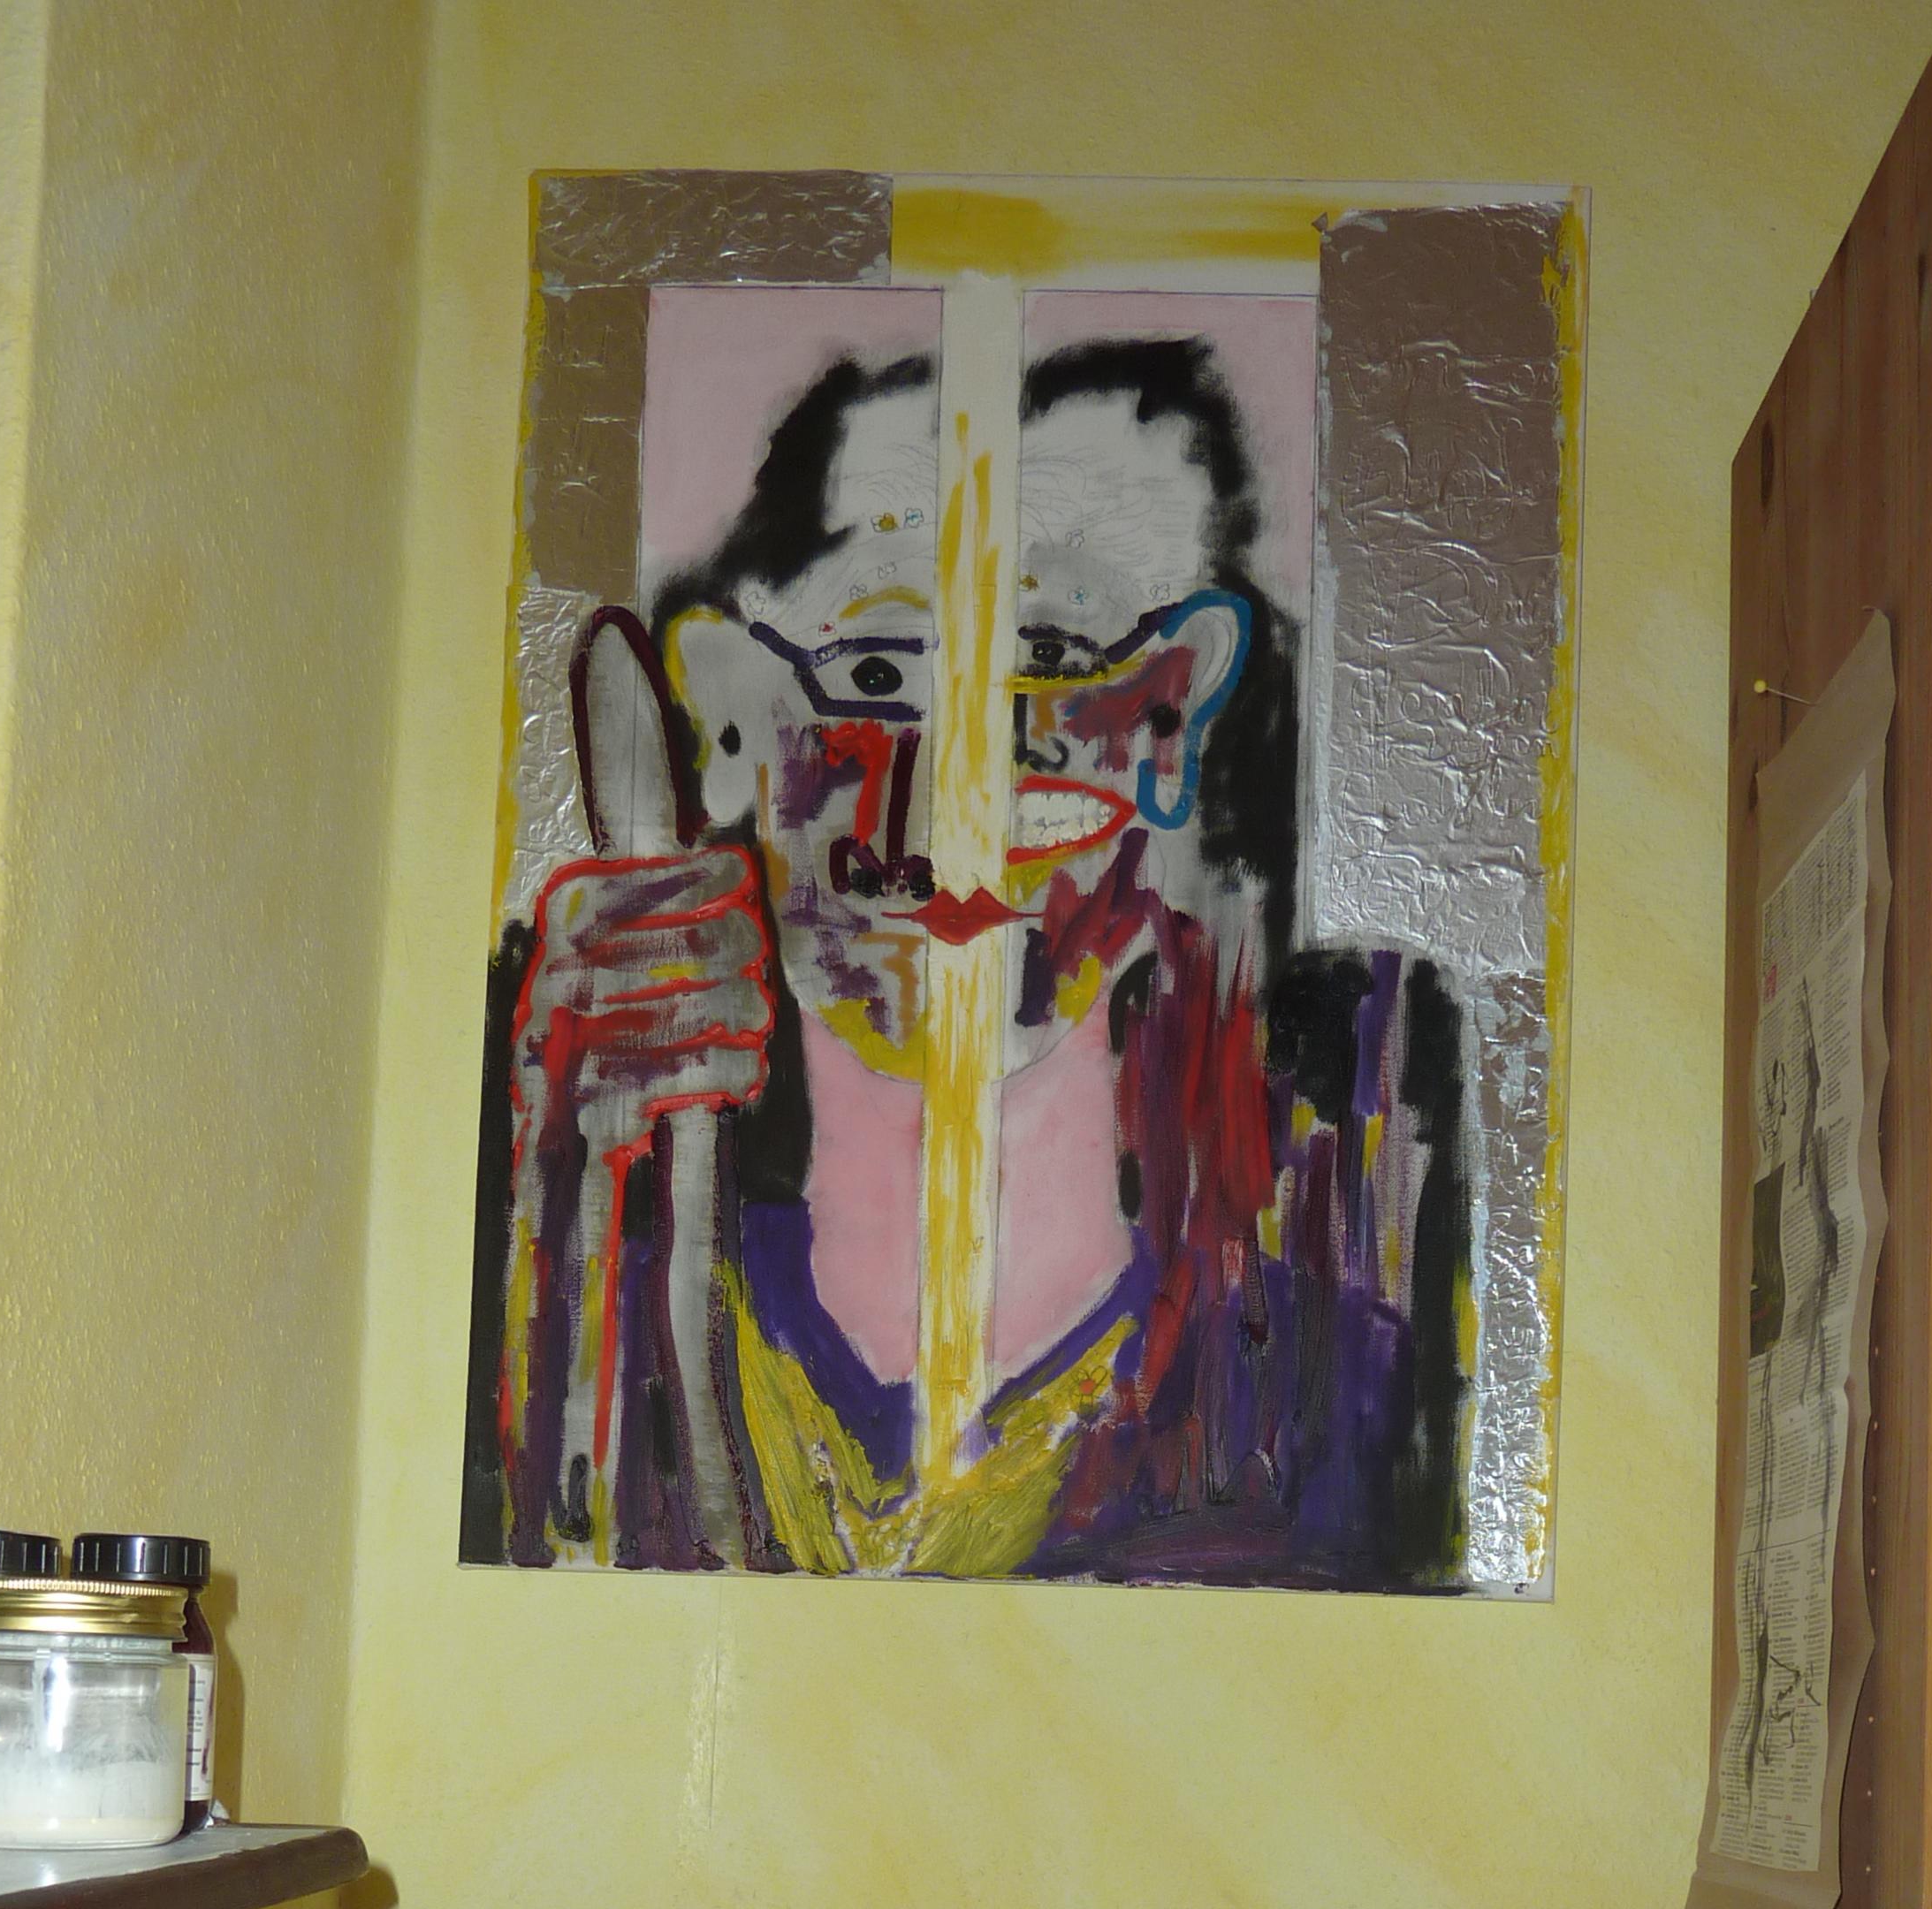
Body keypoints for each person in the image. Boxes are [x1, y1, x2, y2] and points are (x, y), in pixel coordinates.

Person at [474, 333, 1468, 1586]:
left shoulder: (1343, 1412)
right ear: (734, 719)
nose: (950, 804)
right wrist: (566, 1247)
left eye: (1045, 663)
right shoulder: (601, 1315)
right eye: (876, 672)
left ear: (1169, 728)